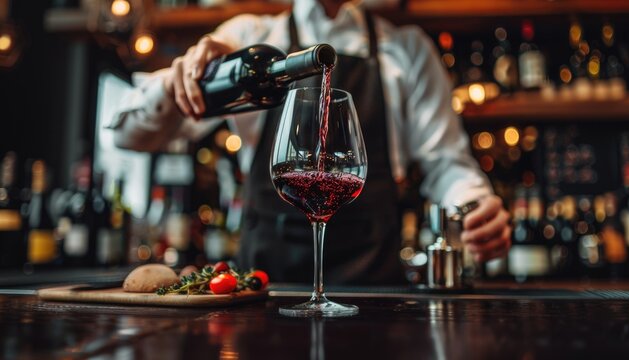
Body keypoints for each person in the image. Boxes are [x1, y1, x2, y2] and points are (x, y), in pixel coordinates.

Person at [111, 0, 511, 284]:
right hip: (263, 290)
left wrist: (475, 208)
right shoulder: (246, 40)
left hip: (374, 294)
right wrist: (177, 85)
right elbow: (130, 135)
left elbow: (447, 164)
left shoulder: (407, 49)